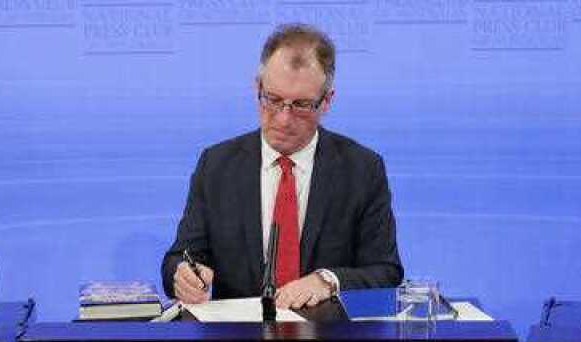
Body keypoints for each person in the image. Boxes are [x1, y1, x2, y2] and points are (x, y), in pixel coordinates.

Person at [162, 24, 403, 310]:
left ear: (326, 101)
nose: (283, 119)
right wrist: (185, 275)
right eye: (273, 100)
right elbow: (180, 258)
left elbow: (386, 272)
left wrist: (328, 281)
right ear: (257, 88)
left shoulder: (361, 169)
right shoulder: (216, 165)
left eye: (301, 105)